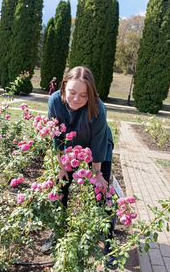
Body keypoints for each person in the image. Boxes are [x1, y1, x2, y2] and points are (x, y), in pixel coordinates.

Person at [45, 66, 115, 263]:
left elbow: (99, 142)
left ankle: (109, 241)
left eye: (83, 95)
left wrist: (96, 173)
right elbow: (56, 136)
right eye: (72, 92)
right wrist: (61, 168)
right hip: (68, 151)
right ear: (64, 86)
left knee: (101, 193)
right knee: (61, 188)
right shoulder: (55, 102)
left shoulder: (98, 108)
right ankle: (58, 232)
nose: (76, 99)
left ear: (90, 94)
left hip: (98, 150)